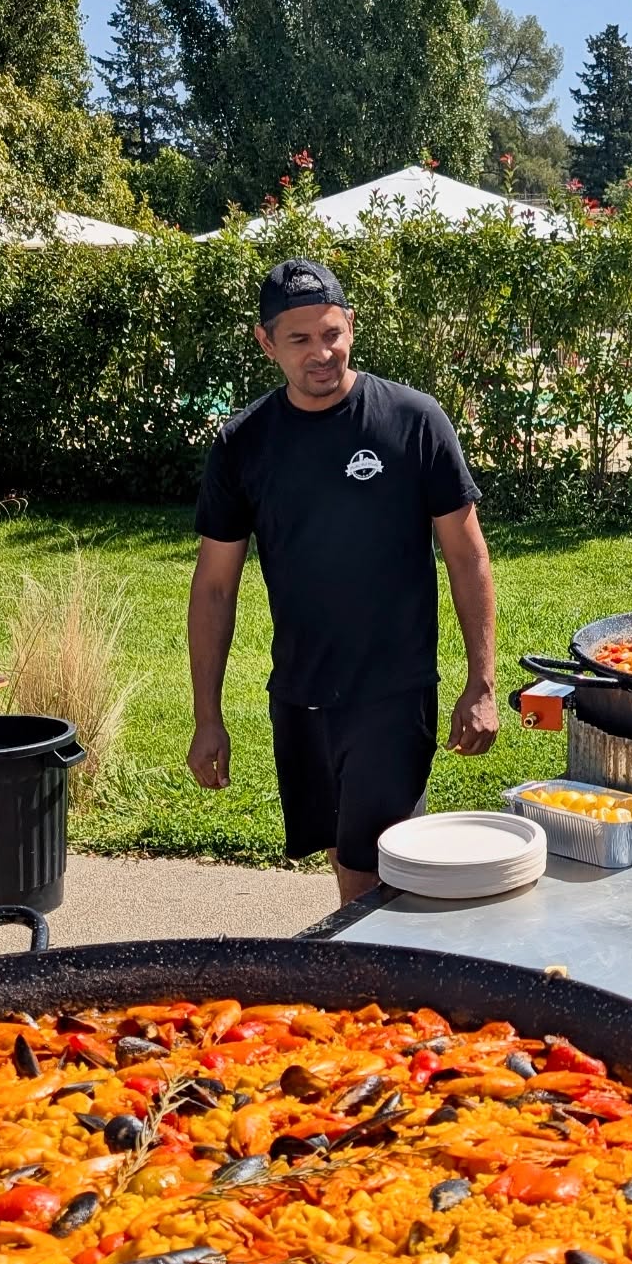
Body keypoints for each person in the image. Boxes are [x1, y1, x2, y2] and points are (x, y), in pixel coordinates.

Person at [186, 258, 498, 904]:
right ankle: (377, 984)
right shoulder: (243, 443)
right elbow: (215, 585)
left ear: (351, 324)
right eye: (299, 339)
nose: (321, 353)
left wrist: (482, 681)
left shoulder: (412, 421)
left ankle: (378, 993)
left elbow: (467, 557)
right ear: (266, 342)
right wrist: (207, 716)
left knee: (373, 867)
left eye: (331, 333)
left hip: (392, 689)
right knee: (344, 859)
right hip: (299, 693)